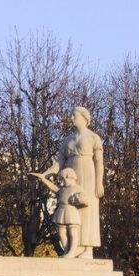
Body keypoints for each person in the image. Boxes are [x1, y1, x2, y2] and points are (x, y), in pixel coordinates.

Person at [41, 107, 104, 258]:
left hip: (88, 175)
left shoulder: (93, 137)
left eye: (74, 115)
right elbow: (58, 163)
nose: (71, 117)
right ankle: (72, 247)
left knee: (87, 210)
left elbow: (99, 161)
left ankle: (86, 248)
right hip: (70, 175)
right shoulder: (67, 140)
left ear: (84, 117)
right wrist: (45, 174)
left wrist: (99, 182)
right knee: (71, 211)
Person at [30, 168, 88, 258]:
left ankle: (72, 252)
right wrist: (43, 179)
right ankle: (67, 250)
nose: (61, 181)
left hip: (71, 212)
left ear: (69, 176)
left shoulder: (77, 188)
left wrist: (78, 200)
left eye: (62, 179)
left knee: (72, 232)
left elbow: (84, 199)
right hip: (61, 211)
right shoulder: (62, 189)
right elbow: (53, 188)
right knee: (61, 233)